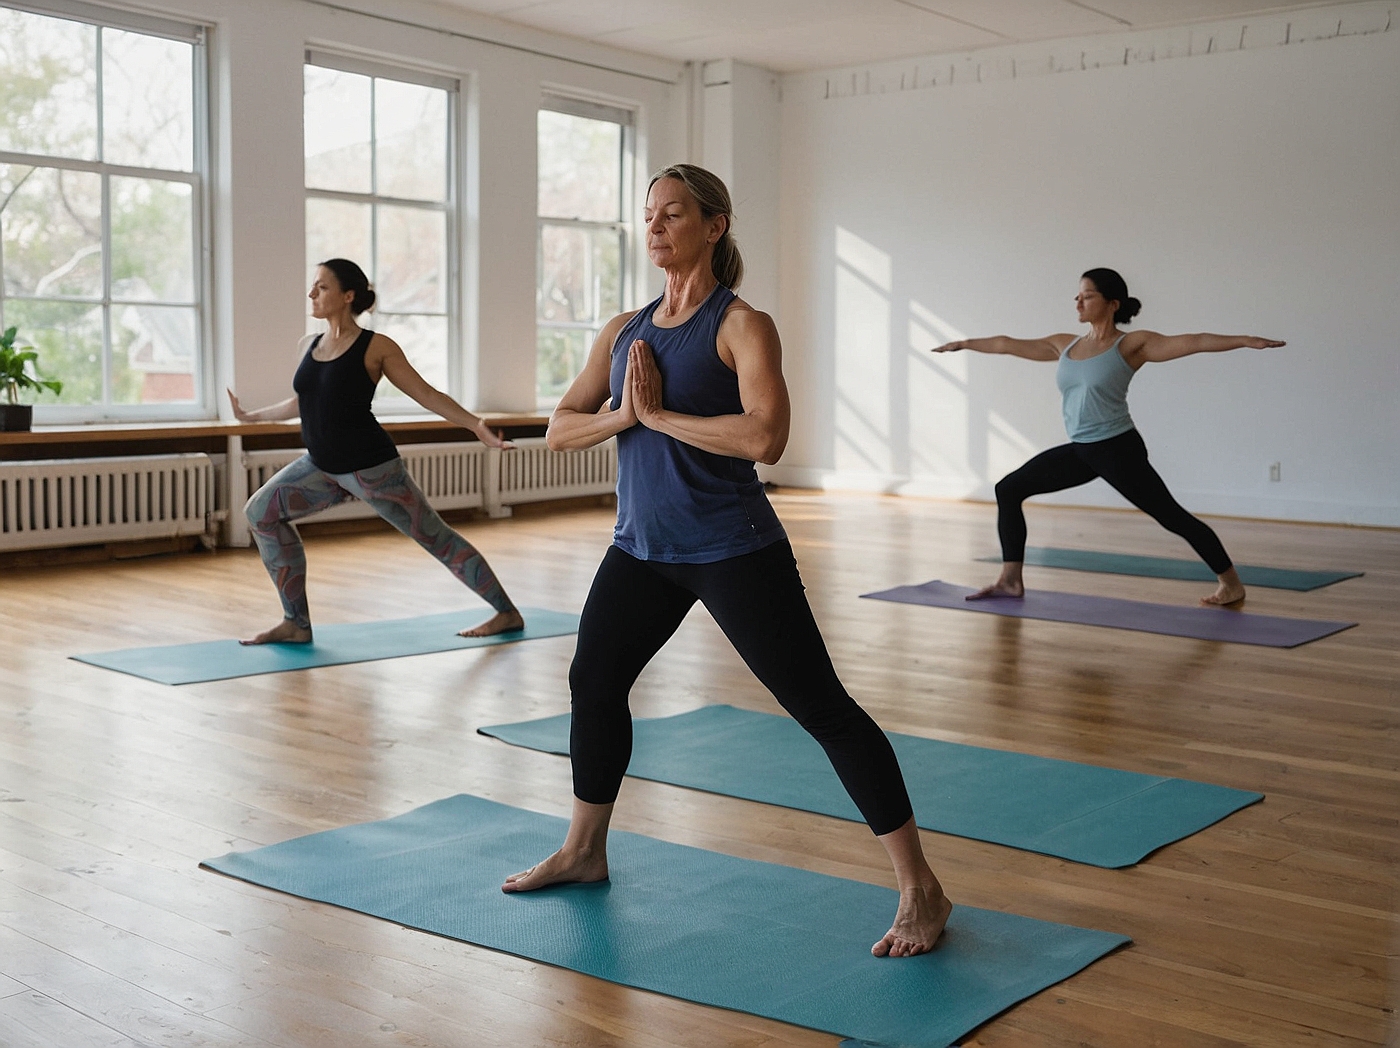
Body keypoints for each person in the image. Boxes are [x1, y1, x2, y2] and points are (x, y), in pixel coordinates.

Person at [500, 164, 952, 959]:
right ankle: (584, 848)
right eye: (649, 216)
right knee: (594, 682)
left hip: (733, 550)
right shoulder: (621, 329)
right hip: (640, 549)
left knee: (822, 709)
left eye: (674, 214)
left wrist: (662, 415)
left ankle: (923, 888)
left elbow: (763, 440)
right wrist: (624, 418)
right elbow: (559, 430)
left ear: (714, 226)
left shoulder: (743, 324)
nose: (656, 227)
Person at [934, 267, 1284, 606]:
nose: (1079, 303)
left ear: (1112, 303)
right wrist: (964, 343)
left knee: (1172, 517)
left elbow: (1194, 341)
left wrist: (1244, 340)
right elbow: (1006, 344)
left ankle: (1231, 585)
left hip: (1118, 449)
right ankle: (1010, 580)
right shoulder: (1064, 346)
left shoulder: (1131, 345)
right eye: (1077, 296)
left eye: (1088, 296)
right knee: (1008, 489)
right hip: (1082, 450)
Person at [227, 258, 524, 645]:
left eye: (321, 286)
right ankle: (295, 623)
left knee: (434, 537)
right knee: (260, 512)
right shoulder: (310, 344)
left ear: (348, 295)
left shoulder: (376, 347)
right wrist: (251, 418)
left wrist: (477, 427)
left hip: (373, 469)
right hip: (321, 466)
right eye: (313, 286)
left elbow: (427, 394)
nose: (311, 293)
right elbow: (305, 400)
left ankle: (506, 612)